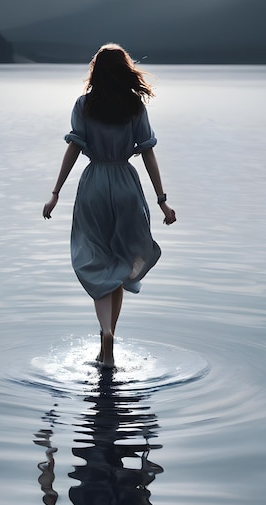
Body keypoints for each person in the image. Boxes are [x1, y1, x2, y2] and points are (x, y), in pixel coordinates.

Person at [43, 43, 176, 369]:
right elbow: (148, 153)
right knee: (119, 263)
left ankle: (106, 335)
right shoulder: (135, 107)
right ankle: (108, 341)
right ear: (125, 71)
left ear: (96, 72)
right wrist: (162, 202)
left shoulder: (84, 105)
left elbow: (74, 148)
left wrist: (56, 192)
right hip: (126, 186)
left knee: (96, 260)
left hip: (95, 186)